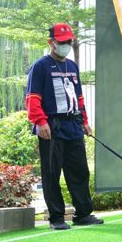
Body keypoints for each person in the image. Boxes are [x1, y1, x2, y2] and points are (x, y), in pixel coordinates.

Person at [26, 23, 103, 230]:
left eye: (69, 41)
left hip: (73, 125)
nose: (66, 45)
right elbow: (32, 98)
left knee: (79, 170)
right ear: (50, 42)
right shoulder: (40, 66)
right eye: (61, 42)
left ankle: (83, 213)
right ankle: (57, 218)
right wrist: (40, 121)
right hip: (51, 127)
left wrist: (85, 121)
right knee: (51, 173)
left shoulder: (72, 66)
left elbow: (79, 97)